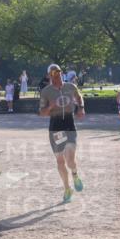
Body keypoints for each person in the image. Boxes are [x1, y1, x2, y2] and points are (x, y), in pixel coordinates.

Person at [38, 63, 85, 203]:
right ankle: (67, 188)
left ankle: (75, 175)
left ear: (61, 73)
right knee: (60, 161)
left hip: (69, 125)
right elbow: (41, 113)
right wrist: (51, 106)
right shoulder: (46, 92)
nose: (56, 77)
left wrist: (81, 107)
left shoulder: (71, 87)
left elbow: (79, 97)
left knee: (70, 160)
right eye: (53, 75)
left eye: (58, 74)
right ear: (48, 76)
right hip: (56, 128)